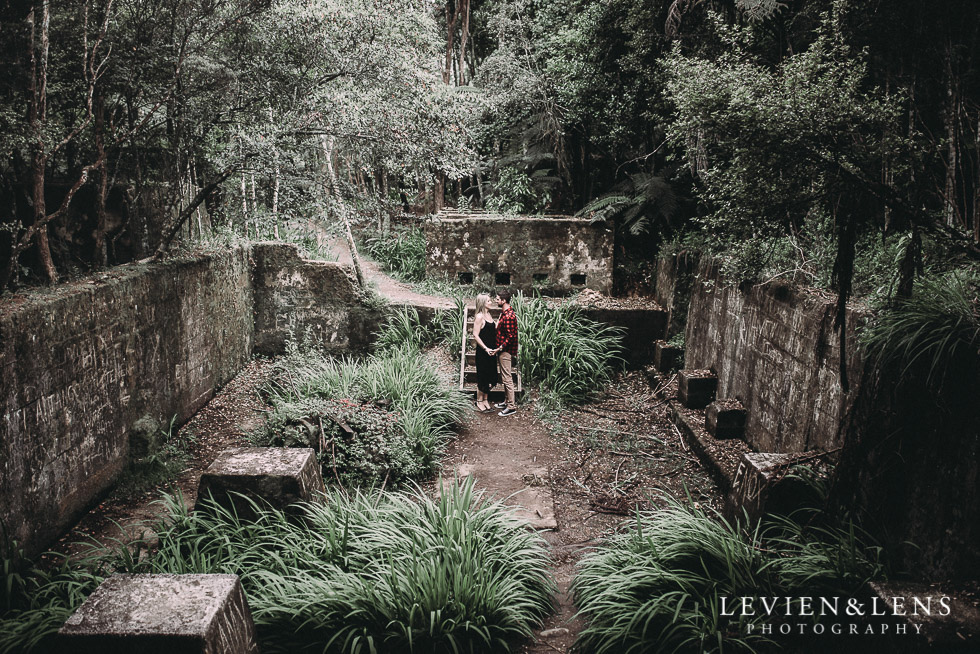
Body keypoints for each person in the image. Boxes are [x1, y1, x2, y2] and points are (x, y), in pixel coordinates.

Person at [491, 289, 518, 416]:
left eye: (497, 299)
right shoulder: (504, 313)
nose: (496, 301)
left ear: (504, 300)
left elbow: (511, 336)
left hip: (505, 351)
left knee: (507, 378)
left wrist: (499, 348)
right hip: (502, 350)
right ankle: (506, 401)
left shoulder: (509, 316)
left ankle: (511, 406)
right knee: (504, 376)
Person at [472, 293, 498, 412]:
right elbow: (475, 335)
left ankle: (486, 400)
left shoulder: (489, 315)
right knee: (482, 376)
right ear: (483, 303)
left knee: (490, 376)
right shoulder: (479, 317)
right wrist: (485, 348)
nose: (491, 302)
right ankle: (479, 401)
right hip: (483, 352)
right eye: (488, 301)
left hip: (492, 351)